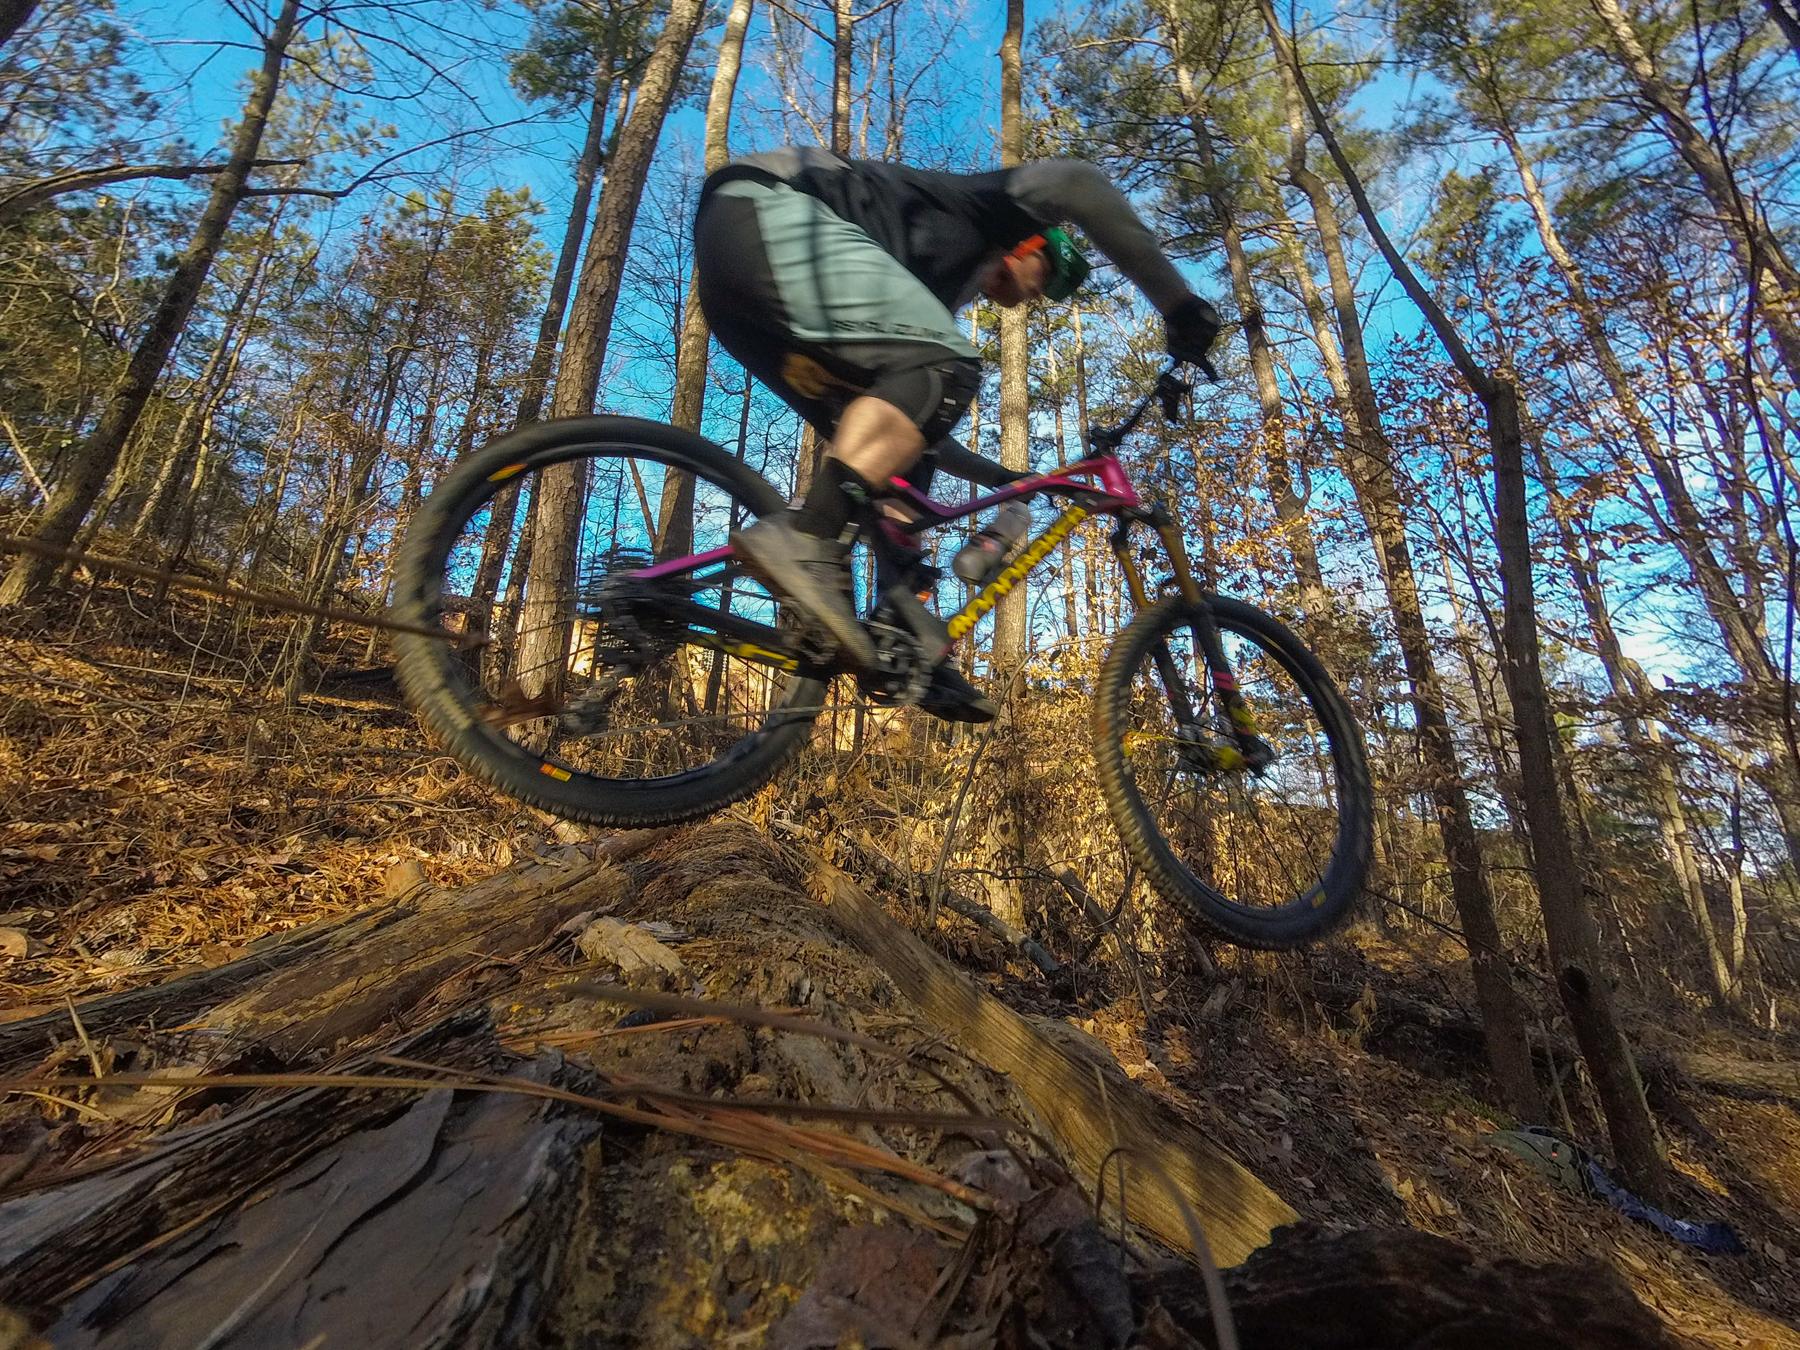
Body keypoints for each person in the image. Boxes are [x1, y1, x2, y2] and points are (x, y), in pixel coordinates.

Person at [692, 145, 1220, 721]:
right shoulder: (981, 210)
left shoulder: (900, 292)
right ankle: (808, 537)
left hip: (737, 270)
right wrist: (1179, 305)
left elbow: (916, 432)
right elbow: (1077, 183)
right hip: (770, 212)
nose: (1037, 296)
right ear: (1029, 244)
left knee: (900, 460)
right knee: (947, 366)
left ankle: (905, 637)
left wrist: (1005, 479)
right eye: (1048, 277)